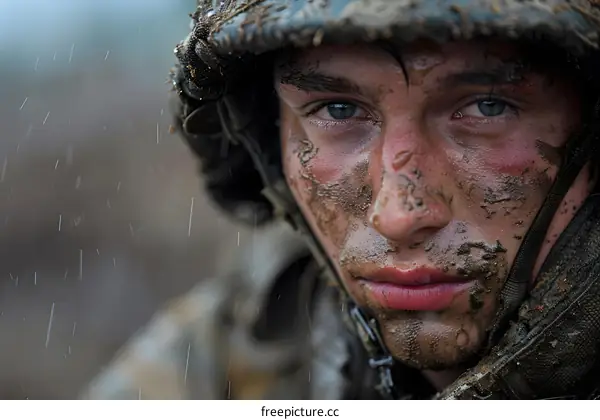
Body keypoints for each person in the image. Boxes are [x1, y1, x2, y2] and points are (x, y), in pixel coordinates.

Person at [83, 0, 600, 399]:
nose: (398, 215)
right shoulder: (234, 356)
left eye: (488, 108)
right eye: (336, 110)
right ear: (271, 138)